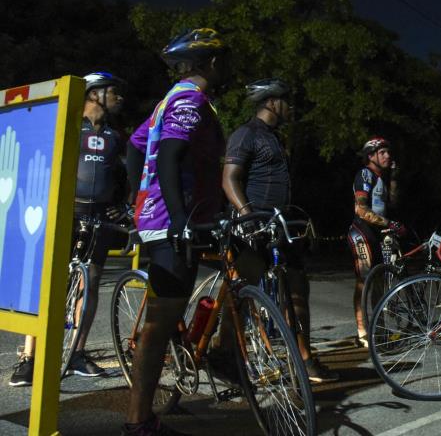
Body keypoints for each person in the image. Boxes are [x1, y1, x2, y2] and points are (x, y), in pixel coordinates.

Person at [122, 28, 228, 436]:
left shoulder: (168, 100)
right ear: (212, 62)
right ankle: (139, 423)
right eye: (225, 60)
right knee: (159, 324)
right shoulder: (190, 99)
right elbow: (170, 154)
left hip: (165, 215)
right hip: (171, 221)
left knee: (166, 317)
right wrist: (179, 218)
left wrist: (137, 194)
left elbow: (135, 145)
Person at [8, 72, 129, 386]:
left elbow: (123, 176)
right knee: (48, 282)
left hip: (99, 215)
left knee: (91, 280)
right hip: (66, 213)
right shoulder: (67, 124)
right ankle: (28, 358)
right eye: (113, 91)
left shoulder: (116, 136)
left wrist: (123, 204)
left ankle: (76, 353)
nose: (119, 97)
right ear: (93, 94)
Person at [220, 78, 337, 383]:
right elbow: (229, 179)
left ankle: (304, 359)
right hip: (252, 228)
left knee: (297, 291)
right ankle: (225, 356)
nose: (291, 107)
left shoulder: (275, 138)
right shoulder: (245, 134)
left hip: (280, 226)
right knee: (242, 295)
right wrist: (247, 217)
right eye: (287, 100)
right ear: (272, 102)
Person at [346, 137, 404, 347]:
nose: (388, 155)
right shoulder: (365, 174)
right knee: (364, 281)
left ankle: (379, 329)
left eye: (388, 152)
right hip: (361, 232)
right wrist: (389, 223)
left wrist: (395, 178)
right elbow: (361, 209)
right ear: (370, 156)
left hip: (376, 234)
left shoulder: (382, 179)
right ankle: (362, 331)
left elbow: (393, 203)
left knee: (379, 282)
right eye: (382, 152)